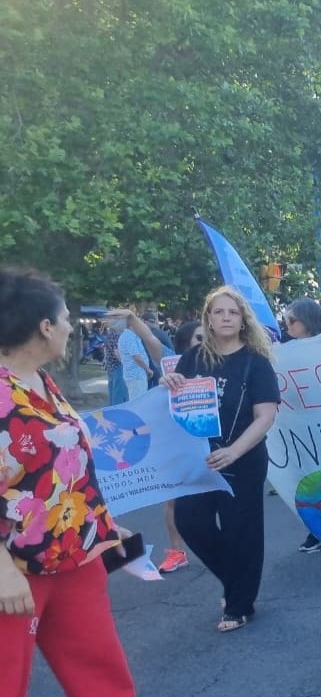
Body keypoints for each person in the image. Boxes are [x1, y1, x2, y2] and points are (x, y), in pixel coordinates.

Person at [0, 267, 136, 696]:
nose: (70, 327)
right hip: (15, 571)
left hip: (77, 558)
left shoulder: (42, 381)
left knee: (104, 680)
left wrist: (106, 526)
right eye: (65, 319)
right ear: (45, 327)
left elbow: (67, 468)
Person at [162, 286, 280, 633]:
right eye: (219, 312)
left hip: (242, 457)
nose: (226, 317)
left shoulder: (255, 362)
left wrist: (234, 451)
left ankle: (240, 605)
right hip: (199, 457)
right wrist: (168, 382)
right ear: (208, 319)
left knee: (241, 531)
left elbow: (265, 416)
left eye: (233, 312)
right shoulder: (194, 358)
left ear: (243, 319)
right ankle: (236, 582)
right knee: (189, 520)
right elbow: (175, 403)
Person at [282, 298, 321, 553]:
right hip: (300, 425)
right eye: (286, 321)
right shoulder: (284, 351)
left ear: (306, 320)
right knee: (307, 478)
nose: (288, 326)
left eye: (291, 320)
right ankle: (316, 529)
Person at [156, 320, 204, 575]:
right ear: (185, 344)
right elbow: (153, 344)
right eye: (199, 338)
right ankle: (177, 551)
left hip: (210, 443)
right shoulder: (170, 364)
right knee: (174, 500)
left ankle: (222, 549)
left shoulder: (221, 362)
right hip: (177, 441)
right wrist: (132, 320)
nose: (205, 343)